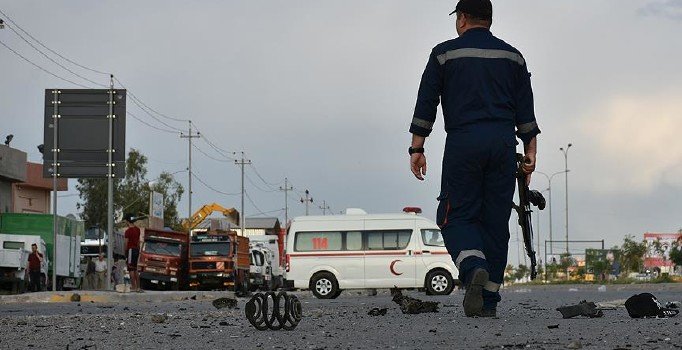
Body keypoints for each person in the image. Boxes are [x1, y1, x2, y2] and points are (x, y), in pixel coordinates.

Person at [408, 0, 539, 317]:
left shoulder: (444, 54)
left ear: (462, 18)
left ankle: (473, 266)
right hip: (503, 144)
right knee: (495, 222)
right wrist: (531, 153)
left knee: (455, 215)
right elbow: (525, 110)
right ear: (489, 20)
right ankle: (488, 302)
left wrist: (417, 147)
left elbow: (428, 101)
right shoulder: (513, 57)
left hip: (464, 143)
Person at [123, 214, 142, 292]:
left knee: (131, 269)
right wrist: (138, 250)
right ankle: (138, 287)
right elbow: (138, 242)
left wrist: (125, 252)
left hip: (130, 250)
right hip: (136, 250)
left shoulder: (128, 231)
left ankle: (133, 287)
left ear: (128, 221)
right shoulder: (138, 230)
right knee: (135, 268)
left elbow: (125, 243)